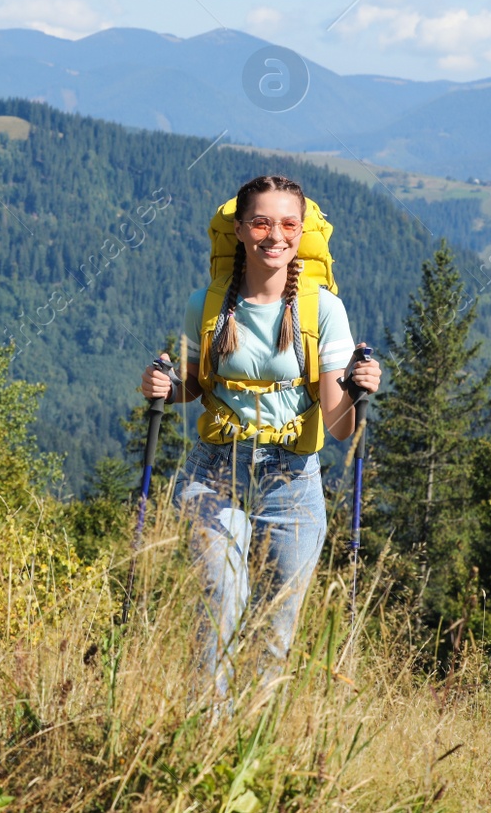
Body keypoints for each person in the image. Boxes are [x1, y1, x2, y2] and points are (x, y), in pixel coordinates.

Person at [140, 174, 380, 702]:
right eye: (261, 222)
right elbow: (196, 384)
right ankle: (210, 737)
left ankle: (253, 751)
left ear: (302, 232)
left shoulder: (323, 310)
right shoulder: (206, 305)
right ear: (242, 230)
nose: (275, 235)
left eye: (288, 223)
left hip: (293, 480)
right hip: (214, 474)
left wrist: (359, 390)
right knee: (220, 605)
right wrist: (165, 385)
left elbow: (339, 428)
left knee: (275, 629)